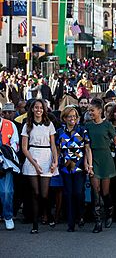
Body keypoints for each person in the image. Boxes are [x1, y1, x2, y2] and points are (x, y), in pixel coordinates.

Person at [86, 98, 116, 233]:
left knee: (105, 192)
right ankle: (98, 221)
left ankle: (109, 211)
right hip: (93, 159)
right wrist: (88, 163)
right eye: (89, 110)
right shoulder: (87, 125)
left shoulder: (107, 125)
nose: (90, 112)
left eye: (92, 110)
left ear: (99, 110)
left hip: (106, 159)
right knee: (95, 191)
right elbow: (86, 146)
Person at [21, 99, 58, 234]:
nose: (38, 110)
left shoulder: (49, 124)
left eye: (41, 108)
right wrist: (34, 163)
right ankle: (35, 224)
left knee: (44, 194)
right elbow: (24, 148)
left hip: (46, 156)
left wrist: (55, 162)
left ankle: (48, 214)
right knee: (35, 193)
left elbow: (53, 145)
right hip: (32, 157)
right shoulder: (27, 125)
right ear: (32, 109)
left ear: (44, 109)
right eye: (36, 107)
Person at [56, 106, 92, 232]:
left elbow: (87, 149)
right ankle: (70, 223)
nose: (72, 119)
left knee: (78, 192)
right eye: (70, 116)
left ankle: (81, 215)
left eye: (74, 116)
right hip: (65, 165)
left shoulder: (82, 130)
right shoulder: (60, 131)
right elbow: (58, 149)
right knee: (68, 194)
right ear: (64, 118)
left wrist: (89, 164)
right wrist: (55, 162)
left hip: (79, 164)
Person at [0, 103, 20, 230]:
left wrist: (3, 153)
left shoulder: (10, 125)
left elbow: (15, 144)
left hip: (6, 163)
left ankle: (8, 216)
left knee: (6, 192)